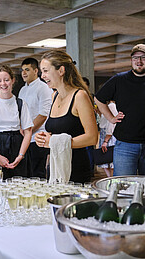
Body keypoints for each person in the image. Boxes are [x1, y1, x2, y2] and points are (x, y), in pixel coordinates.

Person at [94, 44, 145, 176]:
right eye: (135, 58)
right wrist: (111, 118)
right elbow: (98, 99)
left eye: (143, 57)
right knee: (123, 188)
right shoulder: (119, 80)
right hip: (125, 145)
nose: (139, 61)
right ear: (131, 60)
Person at [35, 50, 98, 184]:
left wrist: (53, 141)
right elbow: (57, 131)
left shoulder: (80, 96)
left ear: (61, 70)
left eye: (45, 71)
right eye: (42, 71)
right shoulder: (54, 96)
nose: (42, 76)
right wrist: (44, 138)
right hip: (55, 166)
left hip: (76, 168)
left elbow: (92, 137)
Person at [18, 58, 52, 178]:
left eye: (27, 70)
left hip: (37, 138)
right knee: (26, 173)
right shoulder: (22, 89)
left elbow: (43, 114)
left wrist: (28, 131)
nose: (24, 73)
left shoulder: (43, 88)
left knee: (37, 174)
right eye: (22, 70)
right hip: (25, 138)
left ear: (36, 71)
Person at [97, 102, 117, 177]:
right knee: (105, 160)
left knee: (110, 160)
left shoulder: (111, 106)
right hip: (105, 134)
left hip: (109, 135)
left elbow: (112, 124)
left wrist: (106, 140)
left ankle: (111, 179)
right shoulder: (107, 106)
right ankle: (110, 179)